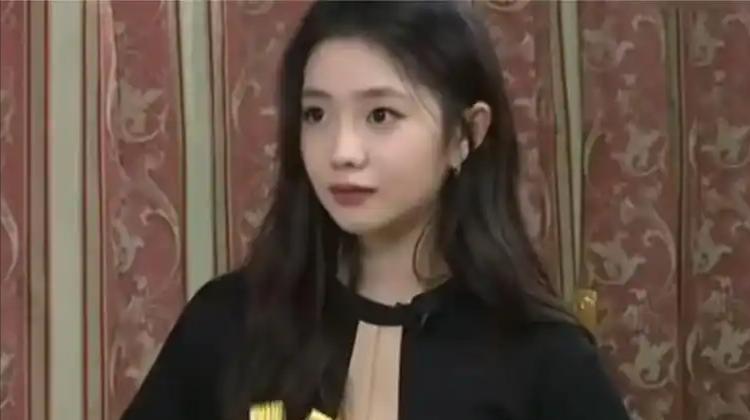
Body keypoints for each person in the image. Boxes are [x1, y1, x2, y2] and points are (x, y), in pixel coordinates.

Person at [122, 2, 630, 419]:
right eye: (316, 114)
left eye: (380, 115)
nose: (342, 151)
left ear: (466, 134)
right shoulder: (229, 322)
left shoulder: (544, 356)